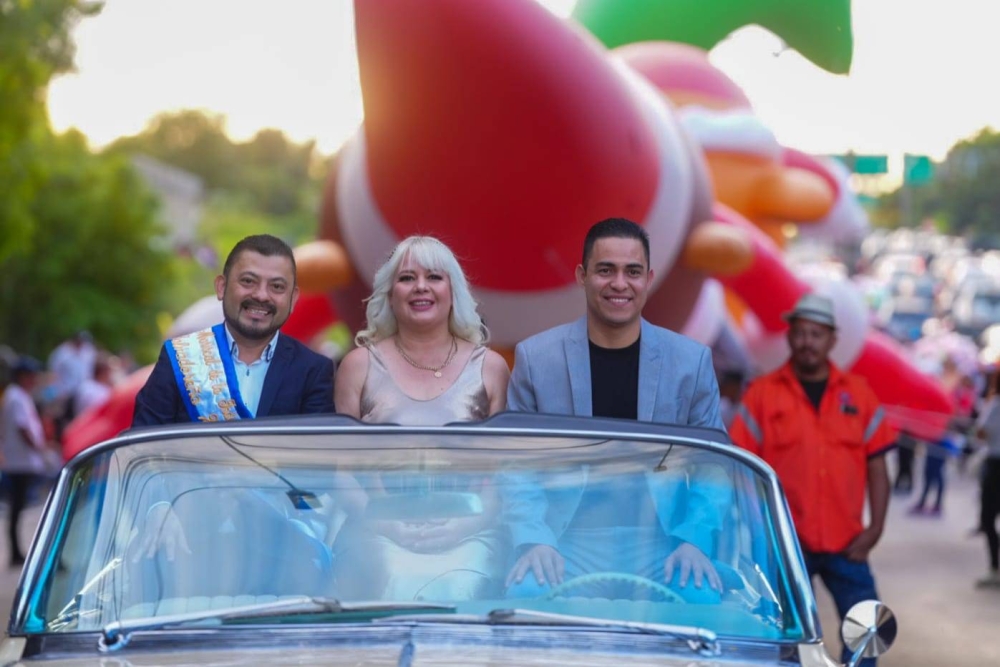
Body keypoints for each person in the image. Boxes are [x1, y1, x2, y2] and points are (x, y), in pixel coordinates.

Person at [505, 217, 727, 600]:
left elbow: (714, 466)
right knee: (525, 596)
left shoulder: (690, 362)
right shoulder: (536, 358)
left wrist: (695, 541)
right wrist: (534, 539)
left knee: (702, 601)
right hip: (566, 541)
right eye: (605, 270)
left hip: (663, 543)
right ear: (582, 275)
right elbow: (514, 464)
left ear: (649, 278)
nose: (620, 284)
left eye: (633, 272)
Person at [334, 235, 510, 600]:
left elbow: (505, 473)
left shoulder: (490, 368)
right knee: (391, 578)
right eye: (406, 278)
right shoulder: (357, 366)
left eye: (434, 277)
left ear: (453, 290)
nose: (420, 288)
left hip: (471, 528)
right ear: (390, 293)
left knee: (464, 585)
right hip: (378, 527)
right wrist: (388, 525)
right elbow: (341, 472)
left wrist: (468, 525)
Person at [729, 293, 895, 667]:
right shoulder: (762, 395)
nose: (807, 342)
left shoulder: (860, 394)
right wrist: (757, 534)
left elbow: (878, 467)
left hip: (847, 542)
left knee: (867, 631)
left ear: (832, 339)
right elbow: (740, 469)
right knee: (781, 640)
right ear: (789, 337)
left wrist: (876, 529)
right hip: (785, 545)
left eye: (816, 334)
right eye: (801, 333)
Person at [132, 234, 335, 425]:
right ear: (221, 287)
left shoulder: (313, 371)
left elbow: (316, 455)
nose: (262, 295)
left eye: (277, 287)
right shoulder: (180, 357)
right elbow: (142, 449)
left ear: (293, 299)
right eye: (248, 281)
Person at [1, 357, 51, 567]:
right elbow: (23, 428)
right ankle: (15, 553)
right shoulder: (16, 396)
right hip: (20, 461)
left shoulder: (17, 395)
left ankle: (16, 552)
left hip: (21, 460)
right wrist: (39, 448)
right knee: (18, 507)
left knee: (19, 507)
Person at [974, 370, 1000, 588]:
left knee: (988, 518)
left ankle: (995, 567)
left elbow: (981, 433)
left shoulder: (994, 405)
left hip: (995, 467)